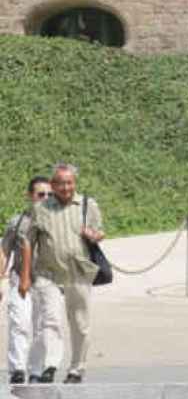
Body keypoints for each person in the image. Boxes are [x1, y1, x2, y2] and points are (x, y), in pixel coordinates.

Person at [18, 164, 104, 384]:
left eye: (69, 182)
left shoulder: (87, 205)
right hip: (49, 273)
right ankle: (50, 365)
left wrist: (93, 235)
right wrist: (26, 276)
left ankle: (76, 369)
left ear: (74, 183)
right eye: (60, 183)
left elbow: (100, 232)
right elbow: (28, 240)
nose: (66, 187)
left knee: (80, 323)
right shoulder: (41, 209)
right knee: (51, 320)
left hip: (78, 271)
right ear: (53, 185)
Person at [4, 177, 50, 384]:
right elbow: (4, 252)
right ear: (30, 196)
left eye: (50, 195)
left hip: (45, 281)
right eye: (41, 194)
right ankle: (17, 369)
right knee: (19, 324)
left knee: (41, 328)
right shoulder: (17, 222)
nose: (46, 198)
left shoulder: (56, 222)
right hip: (19, 278)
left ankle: (36, 370)